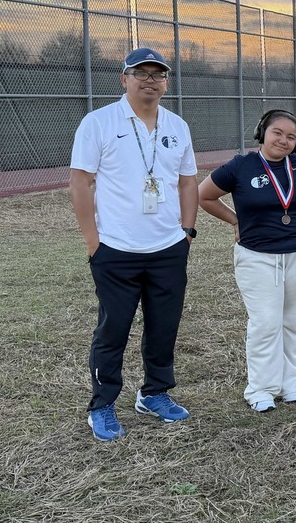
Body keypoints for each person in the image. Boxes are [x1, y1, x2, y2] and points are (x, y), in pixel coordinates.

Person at [69, 47, 196, 441]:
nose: (150, 80)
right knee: (113, 330)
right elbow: (80, 181)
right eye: (140, 72)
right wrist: (94, 241)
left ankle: (154, 393)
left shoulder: (177, 125)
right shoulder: (99, 122)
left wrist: (186, 232)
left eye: (158, 74)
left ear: (166, 82)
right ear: (123, 79)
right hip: (116, 250)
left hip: (167, 249)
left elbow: (188, 180)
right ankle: (103, 404)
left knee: (164, 328)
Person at [197, 110, 296, 413]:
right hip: (258, 255)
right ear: (262, 133)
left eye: (291, 137)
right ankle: (261, 388)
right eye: (277, 132)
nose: (284, 140)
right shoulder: (241, 166)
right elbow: (204, 196)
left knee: (292, 323)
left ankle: (291, 383)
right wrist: (235, 220)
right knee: (265, 323)